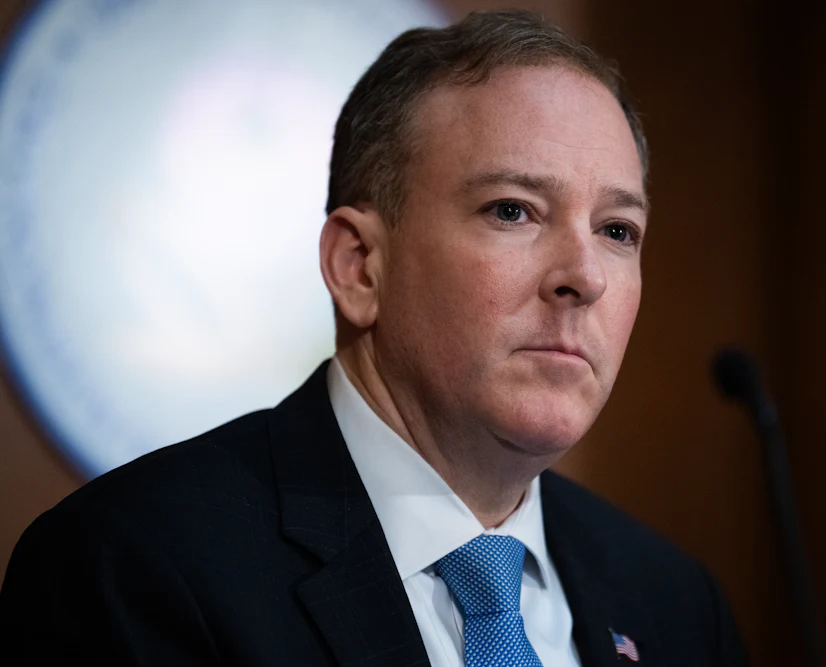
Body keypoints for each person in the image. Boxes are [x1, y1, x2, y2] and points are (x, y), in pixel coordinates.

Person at [0, 10, 745, 666]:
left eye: (618, 230)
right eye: (513, 210)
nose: (584, 275)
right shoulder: (136, 567)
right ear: (358, 265)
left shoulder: (675, 606)